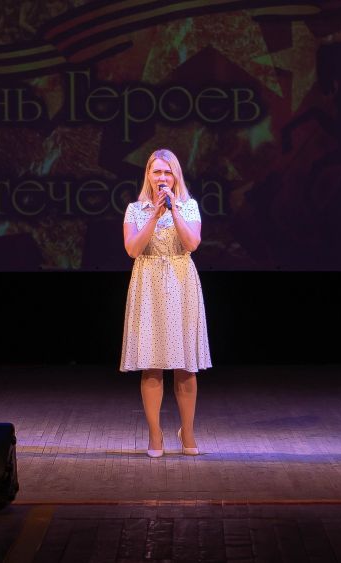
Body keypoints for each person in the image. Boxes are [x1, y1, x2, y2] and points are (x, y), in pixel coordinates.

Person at [120, 149, 212, 457]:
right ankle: (155, 434)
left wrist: (173, 212)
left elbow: (192, 243)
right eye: (157, 171)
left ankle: (188, 432)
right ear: (148, 175)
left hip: (181, 282)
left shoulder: (188, 206)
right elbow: (133, 250)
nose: (162, 177)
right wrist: (154, 216)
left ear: (176, 176)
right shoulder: (135, 210)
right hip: (148, 284)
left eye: (167, 172)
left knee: (185, 365)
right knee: (152, 364)